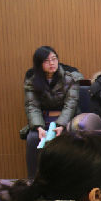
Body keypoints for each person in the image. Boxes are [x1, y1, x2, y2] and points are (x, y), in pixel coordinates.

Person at [22, 46, 81, 178]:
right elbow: (32, 106)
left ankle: (69, 179)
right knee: (32, 139)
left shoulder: (70, 77)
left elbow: (71, 104)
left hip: (67, 120)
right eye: (47, 61)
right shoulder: (32, 80)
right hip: (43, 120)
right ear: (39, 64)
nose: (52, 63)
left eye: (54, 59)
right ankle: (34, 180)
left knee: (69, 138)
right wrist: (38, 127)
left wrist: (61, 125)